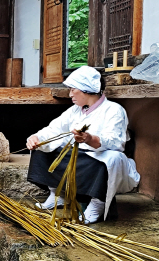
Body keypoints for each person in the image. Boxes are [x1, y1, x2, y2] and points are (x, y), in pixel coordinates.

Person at [25, 66, 140, 224]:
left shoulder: (114, 110)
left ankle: (97, 203)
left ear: (87, 90)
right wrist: (36, 137)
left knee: (112, 159)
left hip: (94, 159)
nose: (70, 94)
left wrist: (90, 139)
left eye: (73, 90)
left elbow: (116, 142)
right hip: (77, 157)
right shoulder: (75, 110)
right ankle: (59, 194)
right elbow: (54, 129)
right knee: (41, 148)